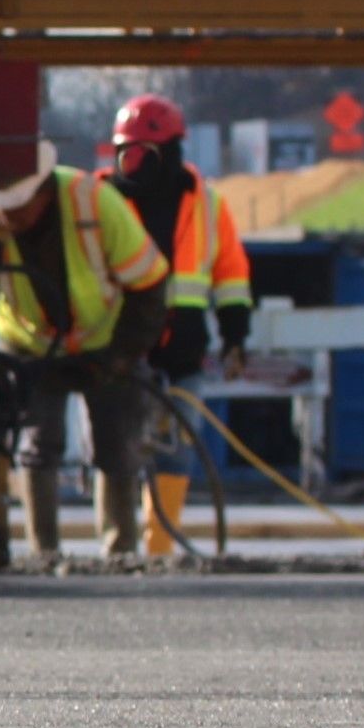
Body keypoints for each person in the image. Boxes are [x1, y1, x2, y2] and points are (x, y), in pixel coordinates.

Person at [0, 142, 170, 566]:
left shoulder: (96, 204)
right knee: (37, 446)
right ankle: (43, 552)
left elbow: (149, 284)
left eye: (20, 207)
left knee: (116, 445)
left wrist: (122, 354)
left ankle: (120, 551)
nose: (11, 219)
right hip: (29, 343)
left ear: (43, 194)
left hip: (105, 341)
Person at [99, 94, 253, 556]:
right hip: (119, 351)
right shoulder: (100, 197)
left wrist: (235, 338)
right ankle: (119, 549)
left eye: (141, 151)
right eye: (125, 151)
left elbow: (231, 275)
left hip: (181, 353)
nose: (132, 162)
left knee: (177, 450)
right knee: (116, 452)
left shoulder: (204, 202)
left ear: (168, 151)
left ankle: (159, 547)